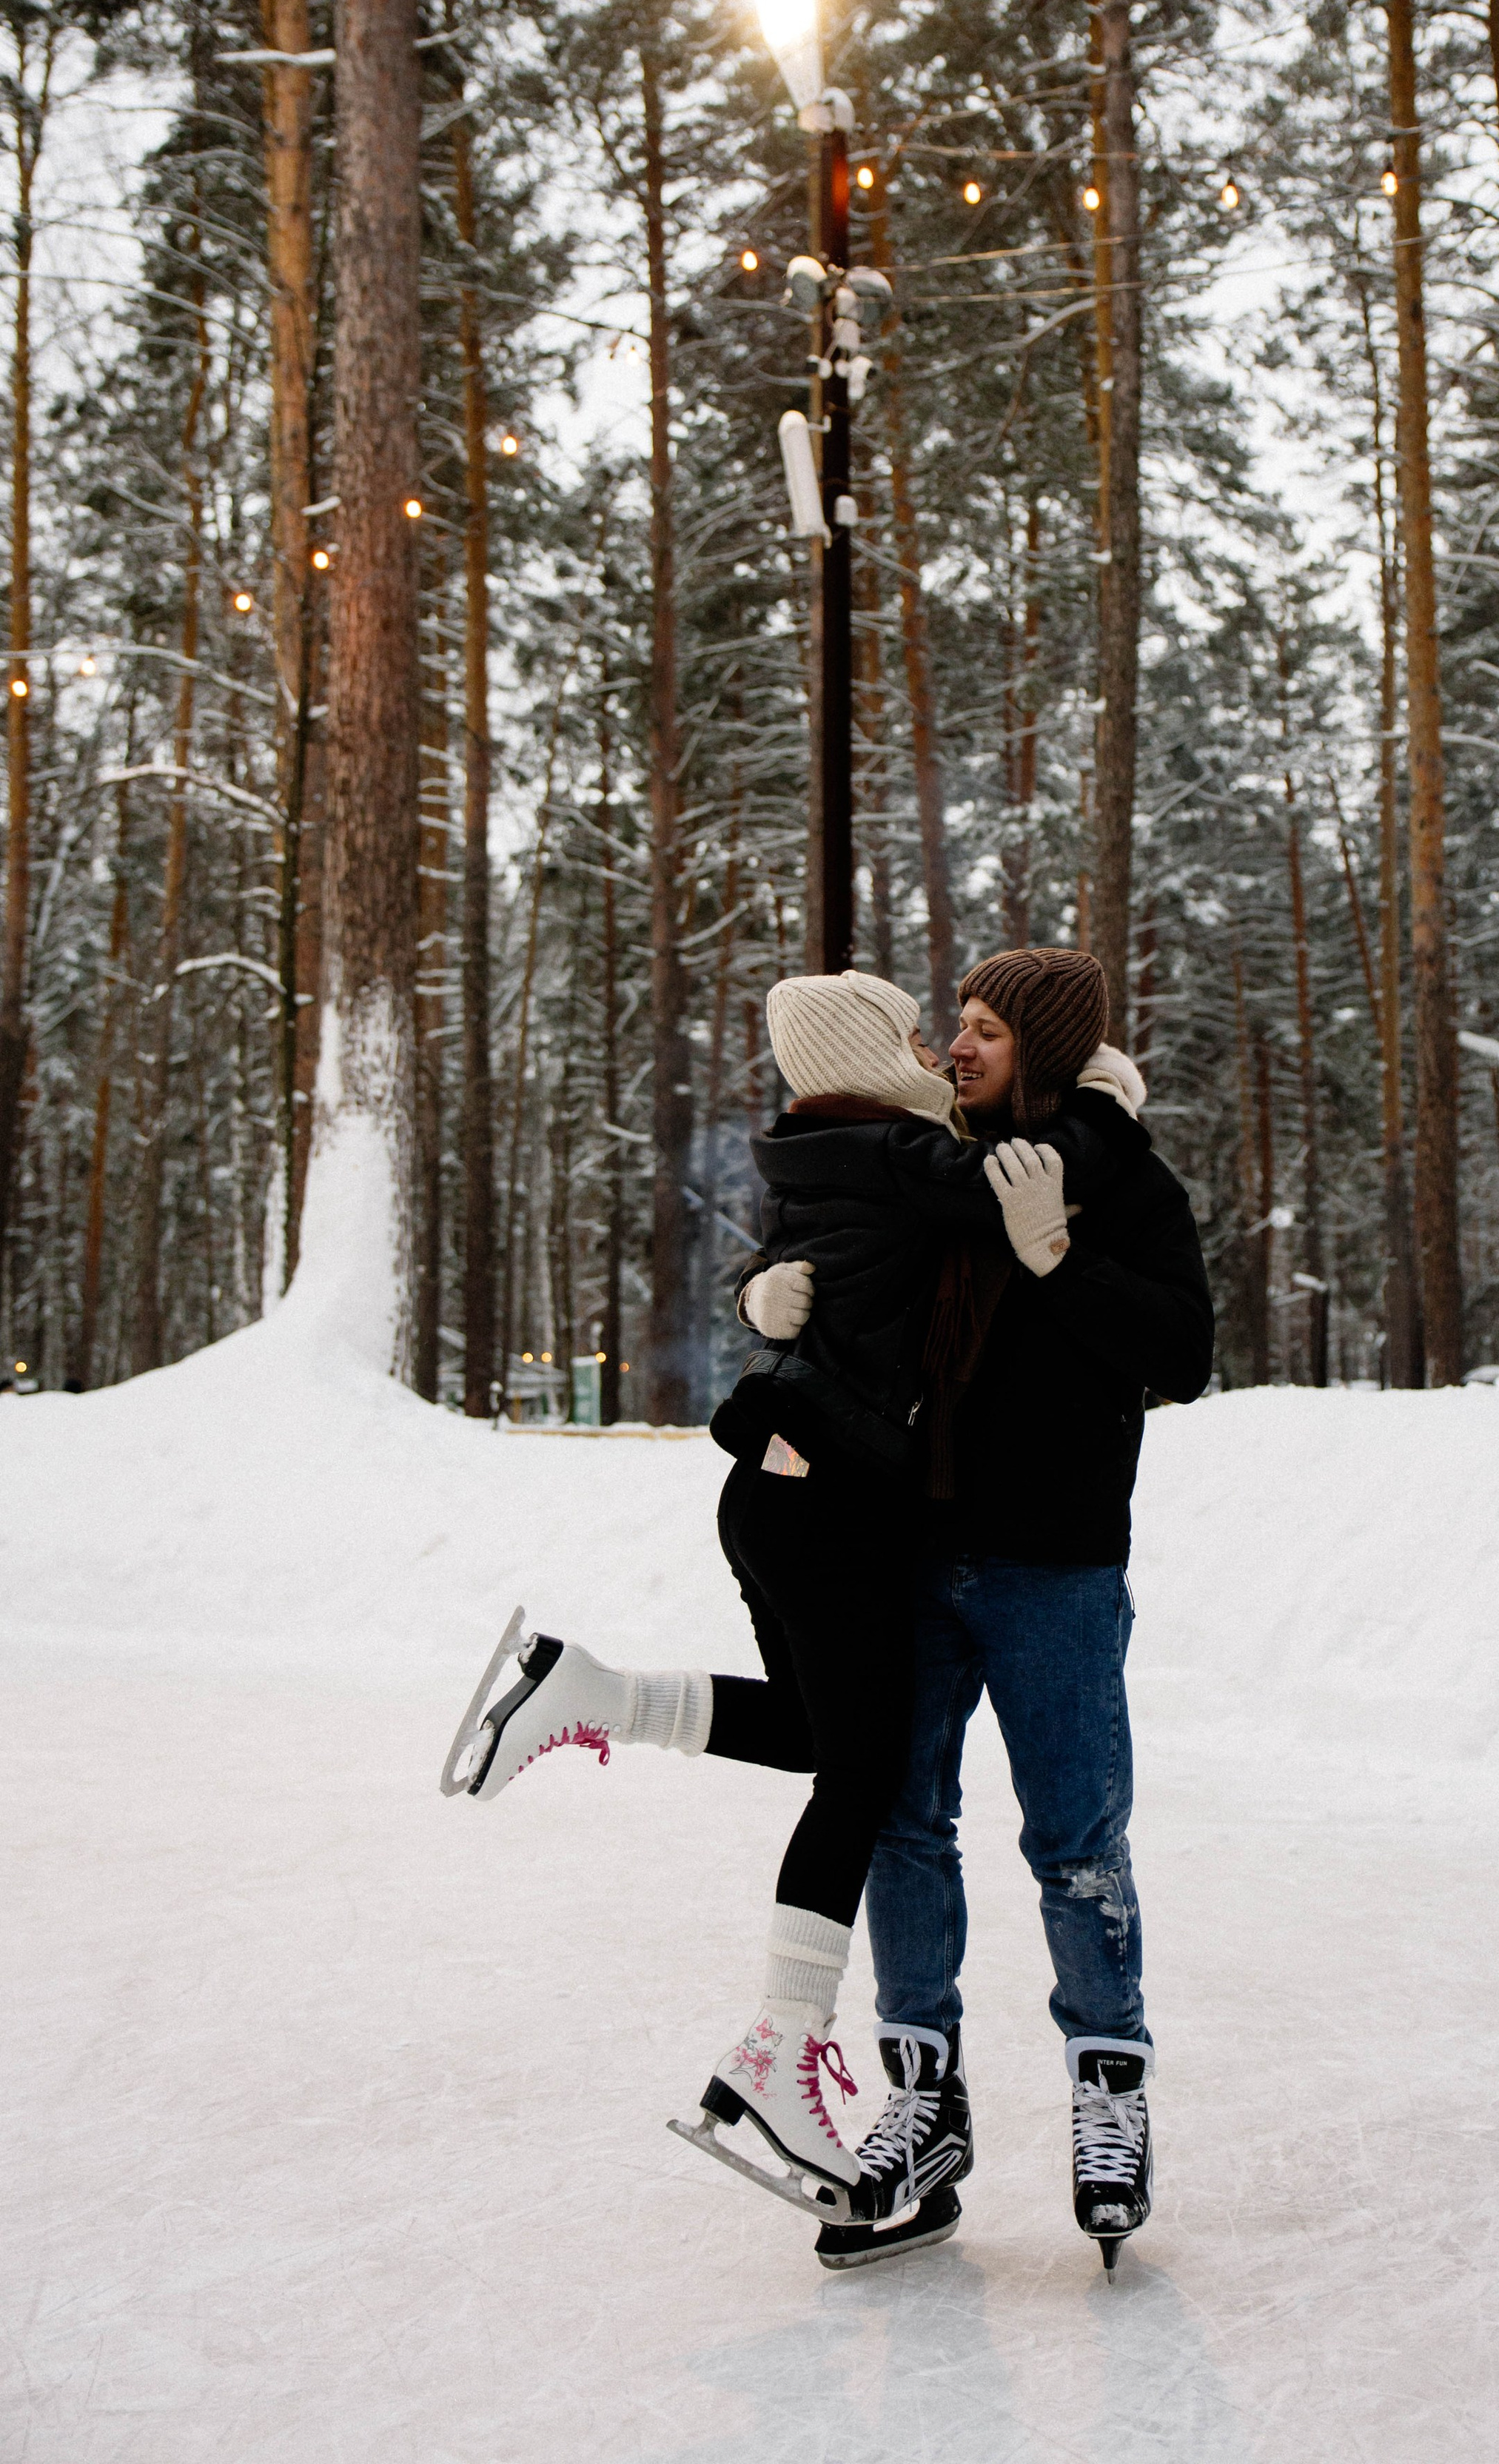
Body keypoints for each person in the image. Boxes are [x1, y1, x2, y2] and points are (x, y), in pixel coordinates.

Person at [439, 967, 1134, 2230]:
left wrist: (763, 1296)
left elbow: (861, 1243)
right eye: (911, 1030)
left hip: (777, 1503)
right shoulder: (904, 1151)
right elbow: (1012, 1182)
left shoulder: (822, 1149)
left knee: (828, 1741)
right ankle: (779, 2047)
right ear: (871, 1053)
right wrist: (1108, 1104)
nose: (936, 1045)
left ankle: (596, 1694)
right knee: (861, 1779)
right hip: (825, 1517)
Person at [831, 948, 1213, 2277]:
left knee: (1075, 1839)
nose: (958, 1046)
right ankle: (922, 2098)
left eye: (986, 1030)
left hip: (1054, 1567)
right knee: (899, 1820)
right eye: (959, 1025)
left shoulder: (1128, 1186)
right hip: (911, 1559)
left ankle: (1109, 2086)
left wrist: (1058, 1258)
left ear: (1041, 1051)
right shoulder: (934, 1170)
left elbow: (1185, 1357)